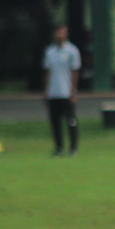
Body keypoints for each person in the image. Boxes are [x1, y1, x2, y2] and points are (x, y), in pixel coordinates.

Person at [42, 24, 81, 156]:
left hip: (66, 92)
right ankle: (59, 148)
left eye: (63, 32)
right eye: (58, 32)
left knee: (71, 121)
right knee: (55, 122)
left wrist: (73, 91)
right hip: (54, 93)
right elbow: (47, 72)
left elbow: (75, 72)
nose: (60, 35)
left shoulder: (72, 51)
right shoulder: (50, 51)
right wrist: (46, 91)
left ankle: (73, 148)